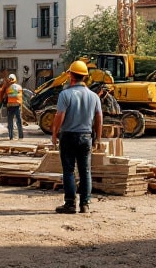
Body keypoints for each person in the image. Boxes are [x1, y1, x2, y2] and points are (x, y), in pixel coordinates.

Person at [51, 60, 103, 214]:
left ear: (71, 75)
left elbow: (60, 115)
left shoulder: (65, 94)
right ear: (85, 77)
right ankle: (85, 204)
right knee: (85, 171)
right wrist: (98, 138)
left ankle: (70, 204)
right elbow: (99, 118)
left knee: (68, 171)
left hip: (68, 136)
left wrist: (54, 134)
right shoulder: (94, 96)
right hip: (86, 136)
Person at [3, 74, 24, 141]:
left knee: (10, 122)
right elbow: (21, 96)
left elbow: (5, 97)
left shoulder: (8, 89)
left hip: (10, 107)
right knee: (19, 121)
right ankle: (20, 136)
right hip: (17, 106)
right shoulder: (19, 87)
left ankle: (11, 137)